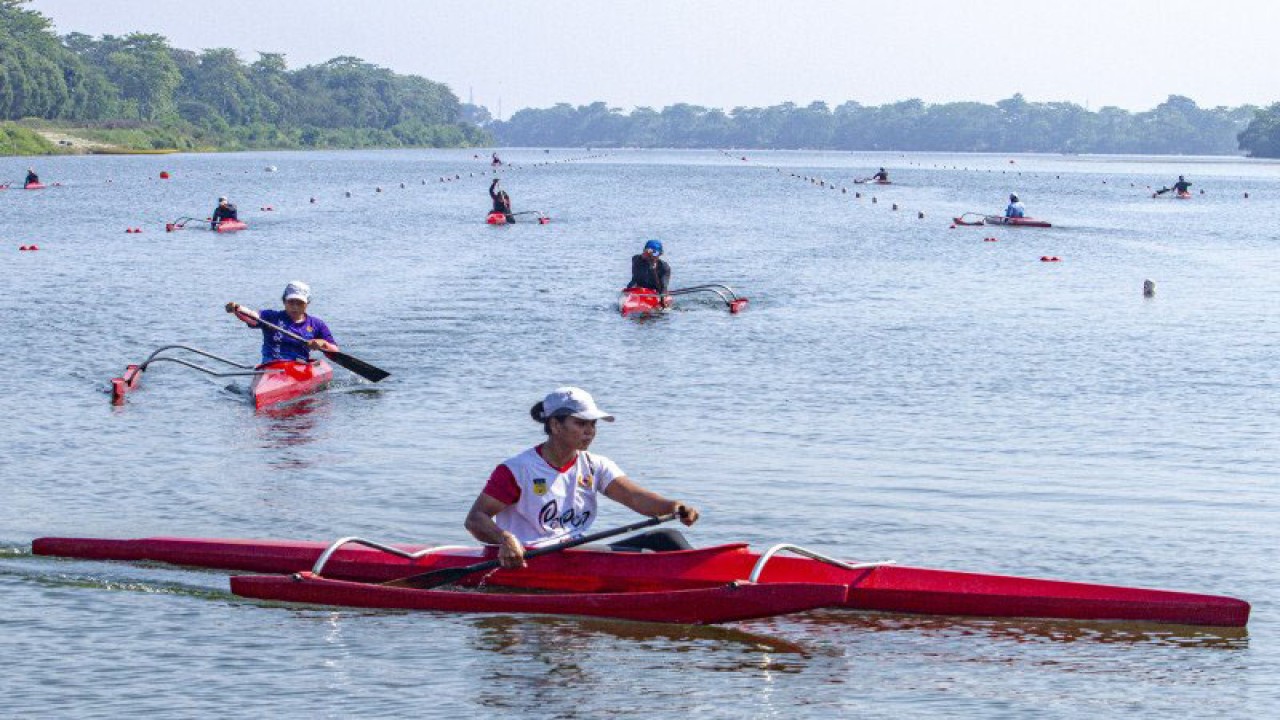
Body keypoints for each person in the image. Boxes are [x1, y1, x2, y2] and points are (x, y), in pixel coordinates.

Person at [465, 386, 700, 569]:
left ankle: (709, 580)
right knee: (653, 548)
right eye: (580, 423)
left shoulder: (595, 465)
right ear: (555, 425)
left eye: (593, 424)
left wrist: (674, 506)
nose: (590, 431)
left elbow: (636, 498)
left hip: (577, 551)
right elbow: (476, 519)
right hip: (534, 557)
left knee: (666, 538)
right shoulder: (518, 469)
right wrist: (504, 539)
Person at [224, 281, 338, 365]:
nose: (295, 306)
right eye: (291, 302)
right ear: (284, 301)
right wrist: (237, 309)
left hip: (299, 367)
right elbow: (252, 317)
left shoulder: (317, 324)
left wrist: (322, 343)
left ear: (307, 303)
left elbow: (335, 351)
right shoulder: (271, 317)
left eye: (300, 303)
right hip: (270, 367)